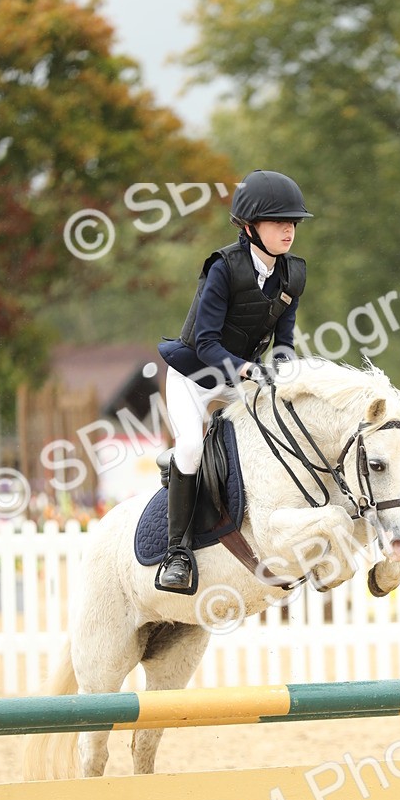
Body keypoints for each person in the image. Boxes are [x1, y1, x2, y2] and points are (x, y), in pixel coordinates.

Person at [155, 169, 312, 592]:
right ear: (249, 227)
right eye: (278, 221)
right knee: (190, 445)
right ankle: (176, 554)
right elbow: (205, 343)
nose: (288, 229)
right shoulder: (223, 268)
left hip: (240, 380)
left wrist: (285, 373)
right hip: (193, 375)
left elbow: (284, 344)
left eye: (292, 222)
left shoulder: (292, 275)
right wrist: (247, 370)